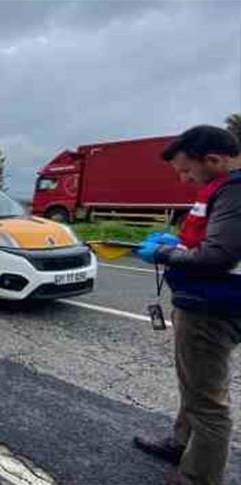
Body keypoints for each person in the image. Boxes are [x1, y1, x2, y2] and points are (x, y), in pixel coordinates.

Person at [133, 125, 241, 485]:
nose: (184, 180)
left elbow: (218, 255)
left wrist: (165, 253)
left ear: (213, 160)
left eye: (187, 171)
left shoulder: (235, 192)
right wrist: (177, 244)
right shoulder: (225, 190)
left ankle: (199, 476)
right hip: (206, 302)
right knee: (193, 383)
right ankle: (181, 443)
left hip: (213, 308)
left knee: (208, 399)